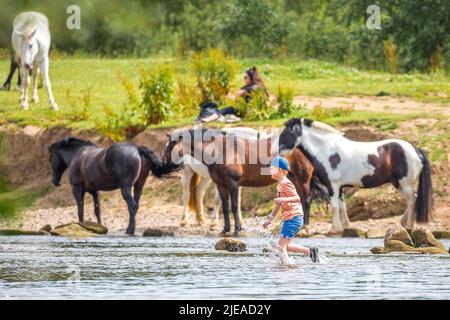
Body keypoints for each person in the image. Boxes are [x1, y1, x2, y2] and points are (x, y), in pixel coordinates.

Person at [263, 156, 320, 264]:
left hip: (293, 218)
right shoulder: (280, 185)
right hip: (291, 218)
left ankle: (285, 267)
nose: (269, 170)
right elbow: (278, 203)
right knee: (286, 246)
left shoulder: (285, 183)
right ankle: (311, 252)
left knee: (280, 246)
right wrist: (270, 218)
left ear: (279, 170)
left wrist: (282, 199)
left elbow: (297, 198)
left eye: (272, 168)